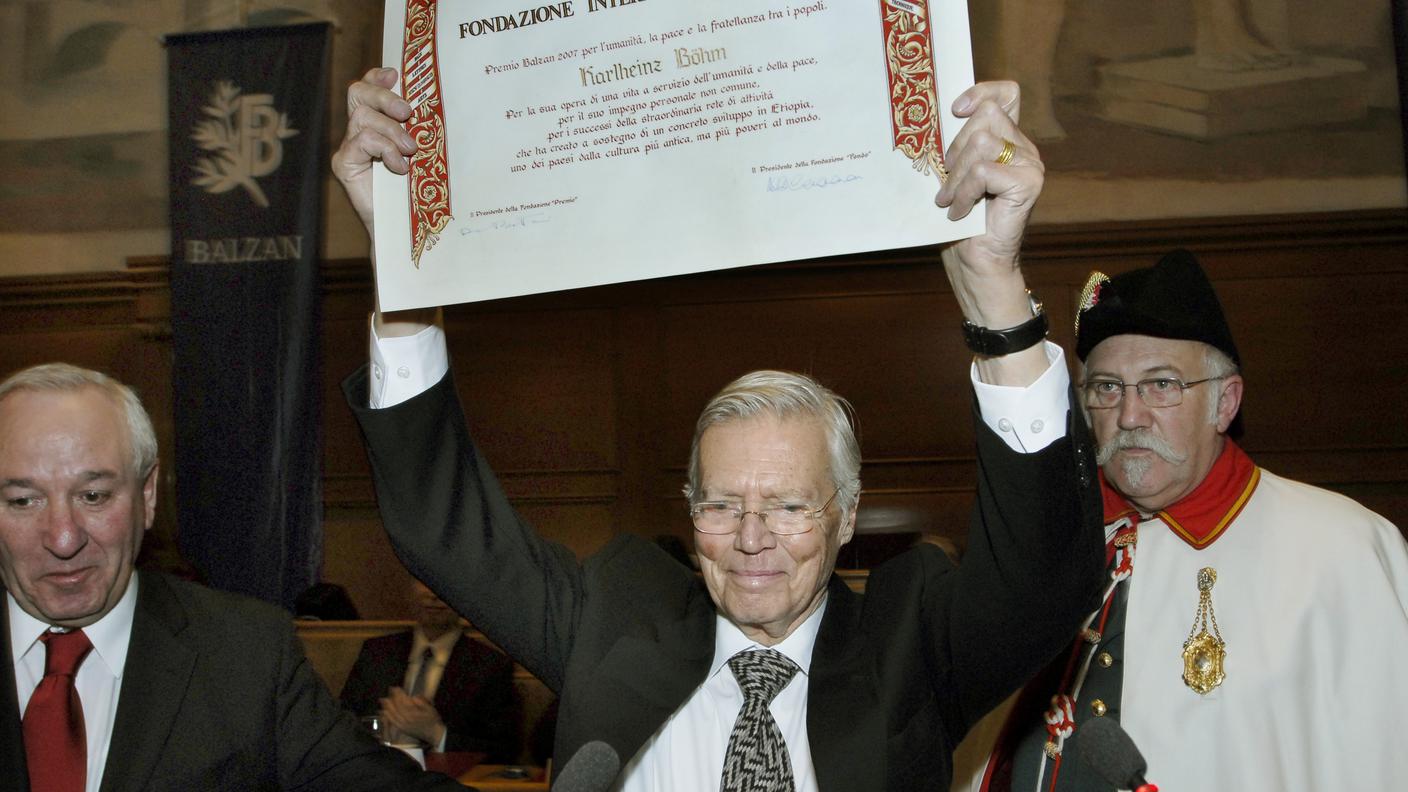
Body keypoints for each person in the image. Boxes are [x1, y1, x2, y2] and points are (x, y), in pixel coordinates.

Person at [335, 68, 1106, 791]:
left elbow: (1044, 574)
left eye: (790, 506)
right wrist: (405, 269)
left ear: (845, 514)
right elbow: (443, 529)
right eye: (721, 504)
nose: (751, 537)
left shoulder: (910, 647)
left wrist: (992, 286)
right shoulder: (613, 624)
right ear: (688, 508)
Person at [955, 250, 1408, 791]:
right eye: (1106, 388)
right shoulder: (1047, 548)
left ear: (1226, 402)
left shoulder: (1341, 549)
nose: (1129, 415)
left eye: (1161, 384)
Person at [0, 363, 463, 792]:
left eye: (94, 496)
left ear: (148, 495)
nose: (63, 538)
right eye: (23, 501)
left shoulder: (247, 653)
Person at [341, 579, 520, 761]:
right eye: (424, 581)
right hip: (377, 772)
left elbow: (504, 751)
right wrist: (377, 731)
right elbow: (343, 724)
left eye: (444, 583)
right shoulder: (377, 652)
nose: (433, 595)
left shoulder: (490, 665)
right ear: (410, 591)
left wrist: (436, 734)